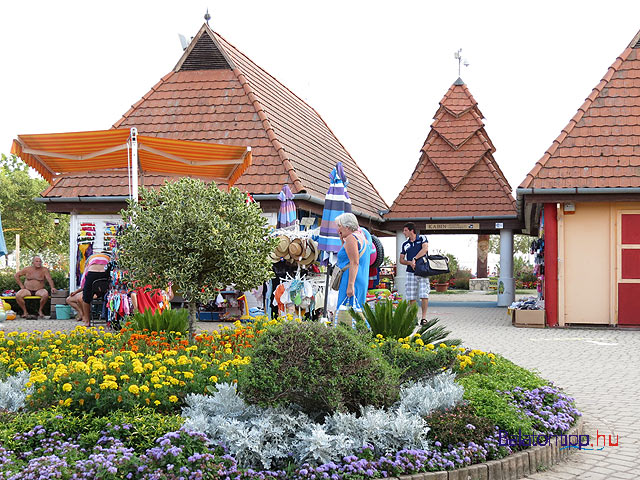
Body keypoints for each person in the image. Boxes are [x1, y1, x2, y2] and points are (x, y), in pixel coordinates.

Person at [335, 212, 372, 310]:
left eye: (340, 226)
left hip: (351, 278)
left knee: (345, 312)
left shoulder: (351, 238)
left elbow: (354, 262)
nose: (338, 229)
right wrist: (342, 238)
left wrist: (350, 285)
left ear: (347, 227)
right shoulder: (362, 238)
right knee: (359, 311)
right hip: (361, 277)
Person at [399, 222, 429, 325]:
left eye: (405, 230)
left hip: (423, 271)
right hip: (410, 273)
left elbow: (425, 249)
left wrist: (415, 259)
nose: (404, 233)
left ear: (412, 230)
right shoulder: (405, 244)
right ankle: (413, 318)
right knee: (411, 296)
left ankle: (424, 318)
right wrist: (409, 263)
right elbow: (401, 260)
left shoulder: (422, 238)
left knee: (424, 294)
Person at [78, 252, 111, 325]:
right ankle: (108, 319)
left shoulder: (90, 258)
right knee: (107, 296)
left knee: (86, 298)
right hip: (104, 273)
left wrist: (83, 287)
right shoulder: (109, 257)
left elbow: (85, 273)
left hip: (92, 273)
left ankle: (87, 321)